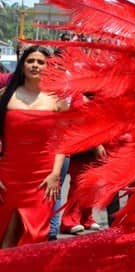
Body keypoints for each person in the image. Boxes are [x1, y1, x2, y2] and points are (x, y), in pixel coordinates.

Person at [0, 45, 68, 247]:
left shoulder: (58, 100)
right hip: (8, 175)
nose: (35, 65)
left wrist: (55, 174)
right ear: (22, 66)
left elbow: (63, 139)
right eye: (31, 61)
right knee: (7, 232)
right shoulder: (4, 95)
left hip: (43, 177)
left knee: (35, 235)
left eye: (41, 62)